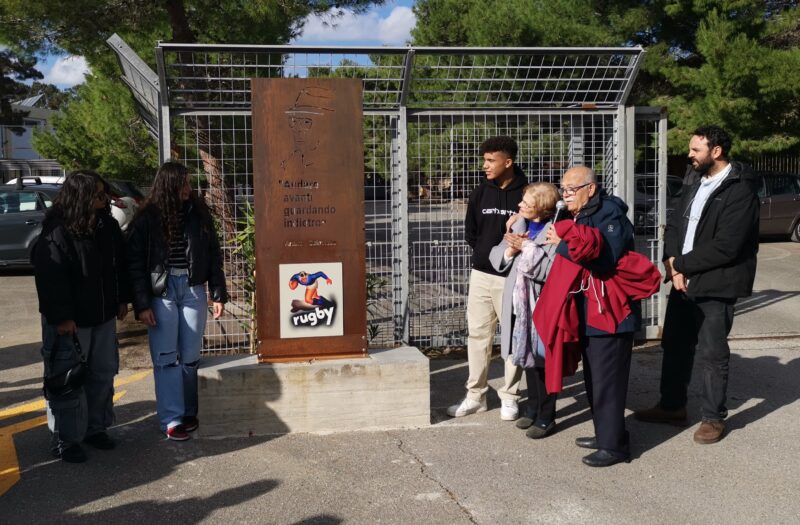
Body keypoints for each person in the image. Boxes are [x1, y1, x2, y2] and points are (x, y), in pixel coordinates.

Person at [634, 126, 759, 444]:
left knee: (712, 353)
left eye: (696, 149)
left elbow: (728, 245)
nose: (689, 155)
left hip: (716, 284)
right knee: (675, 345)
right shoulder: (693, 181)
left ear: (716, 151)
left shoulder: (739, 189)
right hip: (682, 280)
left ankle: (712, 418)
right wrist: (670, 262)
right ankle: (672, 406)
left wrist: (681, 265)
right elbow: (674, 223)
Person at [540, 166, 659, 467]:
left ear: (590, 189)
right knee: (595, 378)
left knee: (608, 381)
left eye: (570, 189)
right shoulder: (578, 213)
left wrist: (563, 245)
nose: (564, 194)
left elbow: (607, 258)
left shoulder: (611, 215)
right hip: (589, 311)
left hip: (611, 313)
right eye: (563, 188)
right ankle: (606, 434)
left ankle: (615, 447)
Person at [32, 170, 129, 463]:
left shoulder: (106, 226)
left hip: (102, 316)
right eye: (98, 195)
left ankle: (94, 429)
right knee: (67, 380)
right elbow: (50, 278)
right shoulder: (57, 231)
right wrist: (62, 317)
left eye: (104, 194)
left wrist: (122, 298)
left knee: (102, 374)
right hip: (71, 321)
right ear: (81, 196)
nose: (104, 200)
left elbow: (119, 265)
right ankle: (66, 438)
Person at [127, 161, 228, 441]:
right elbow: (134, 262)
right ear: (169, 185)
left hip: (194, 289)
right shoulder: (148, 216)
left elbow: (212, 252)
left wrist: (217, 292)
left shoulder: (198, 212)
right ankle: (171, 419)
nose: (189, 187)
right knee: (166, 359)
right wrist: (142, 304)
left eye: (189, 182)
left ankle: (188, 412)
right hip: (162, 292)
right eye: (183, 183)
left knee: (191, 357)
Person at [447, 136, 527, 420]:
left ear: (509, 162)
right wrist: (485, 254)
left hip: (513, 278)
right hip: (481, 274)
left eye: (491, 160)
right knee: (478, 335)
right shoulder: (480, 192)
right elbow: (472, 232)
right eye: (484, 160)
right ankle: (475, 396)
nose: (485, 165)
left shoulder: (527, 194)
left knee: (512, 336)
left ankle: (510, 396)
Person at [489, 182, 560, 438]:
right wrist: (510, 249)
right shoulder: (519, 224)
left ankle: (546, 415)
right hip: (520, 306)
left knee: (543, 360)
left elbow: (549, 270)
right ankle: (532, 407)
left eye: (526, 204)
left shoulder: (554, 231)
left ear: (540, 208)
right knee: (527, 356)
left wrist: (525, 249)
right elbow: (495, 256)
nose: (519, 206)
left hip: (541, 304)